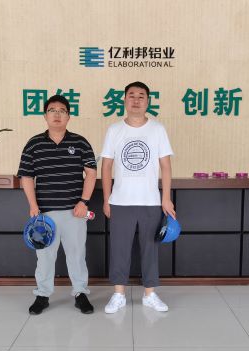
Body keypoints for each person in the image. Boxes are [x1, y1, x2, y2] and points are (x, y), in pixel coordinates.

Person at [17, 95, 97, 315]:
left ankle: (80, 293)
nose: (57, 114)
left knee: (76, 255)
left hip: (75, 212)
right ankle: (42, 295)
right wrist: (33, 206)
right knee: (44, 257)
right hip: (45, 215)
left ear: (69, 116)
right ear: (45, 115)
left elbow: (91, 173)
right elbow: (26, 177)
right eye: (52, 110)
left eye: (62, 110)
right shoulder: (34, 144)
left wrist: (84, 202)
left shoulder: (80, 142)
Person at [101, 81, 176, 314]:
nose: (136, 100)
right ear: (124, 100)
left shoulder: (157, 129)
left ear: (148, 101)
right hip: (120, 201)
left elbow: (166, 166)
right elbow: (106, 167)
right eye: (131, 95)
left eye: (141, 96)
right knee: (119, 249)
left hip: (150, 201)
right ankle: (118, 294)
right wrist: (106, 199)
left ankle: (150, 295)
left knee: (150, 249)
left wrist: (166, 198)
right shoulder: (114, 130)